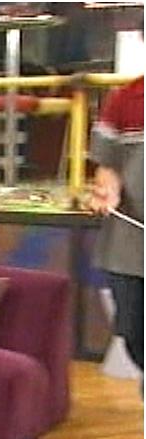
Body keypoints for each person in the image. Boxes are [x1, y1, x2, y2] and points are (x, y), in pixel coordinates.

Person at [88, 75, 143, 374]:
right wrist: (107, 189)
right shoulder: (125, 97)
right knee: (134, 334)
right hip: (129, 241)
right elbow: (108, 165)